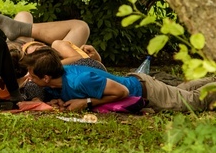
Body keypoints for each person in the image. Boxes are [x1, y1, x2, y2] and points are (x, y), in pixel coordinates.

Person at [21, 46, 216, 112]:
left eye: (31, 73)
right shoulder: (58, 76)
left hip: (146, 91)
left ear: (46, 77)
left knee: (194, 101)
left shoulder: (80, 80)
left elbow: (121, 92)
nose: (28, 76)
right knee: (184, 90)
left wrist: (86, 103)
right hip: (140, 82)